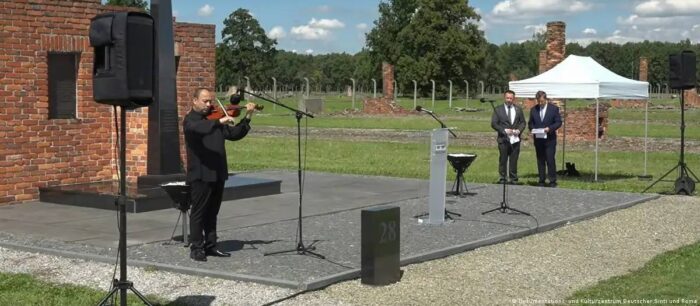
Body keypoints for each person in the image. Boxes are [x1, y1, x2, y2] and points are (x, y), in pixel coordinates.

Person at [184, 88, 257, 261]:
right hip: (201, 173)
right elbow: (200, 128)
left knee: (212, 212)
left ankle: (211, 246)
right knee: (199, 212)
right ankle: (197, 248)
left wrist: (247, 117)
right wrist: (220, 121)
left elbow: (234, 134)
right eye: (205, 101)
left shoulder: (215, 119)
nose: (209, 105)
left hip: (218, 172)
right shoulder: (191, 121)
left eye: (210, 101)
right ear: (194, 100)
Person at [491, 90, 526, 184]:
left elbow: (523, 122)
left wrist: (518, 130)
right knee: (503, 159)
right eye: (507, 98)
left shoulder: (518, 109)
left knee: (514, 159)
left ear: (514, 98)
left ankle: (513, 178)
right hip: (503, 139)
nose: (509, 100)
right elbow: (494, 123)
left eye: (511, 98)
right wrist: (504, 130)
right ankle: (503, 178)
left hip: (515, 139)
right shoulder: (498, 109)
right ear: (504, 97)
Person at [528, 90, 562, 187]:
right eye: (538, 101)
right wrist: (532, 129)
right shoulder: (534, 109)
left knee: (550, 159)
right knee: (540, 159)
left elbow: (558, 122)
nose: (540, 103)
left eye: (542, 101)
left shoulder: (553, 109)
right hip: (538, 139)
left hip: (550, 139)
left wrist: (550, 128)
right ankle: (541, 179)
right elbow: (530, 123)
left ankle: (552, 180)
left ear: (545, 99)